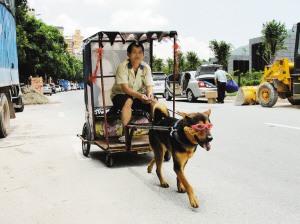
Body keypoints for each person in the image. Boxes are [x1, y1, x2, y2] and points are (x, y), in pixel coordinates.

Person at [110, 42, 157, 143]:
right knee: (128, 100)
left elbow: (149, 86)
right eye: (134, 52)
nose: (138, 55)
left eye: (140, 52)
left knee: (154, 100)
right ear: (128, 54)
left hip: (137, 97)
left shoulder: (146, 67)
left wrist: (149, 94)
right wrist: (140, 96)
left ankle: (155, 130)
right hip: (120, 96)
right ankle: (125, 134)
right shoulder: (122, 67)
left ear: (143, 55)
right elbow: (125, 89)